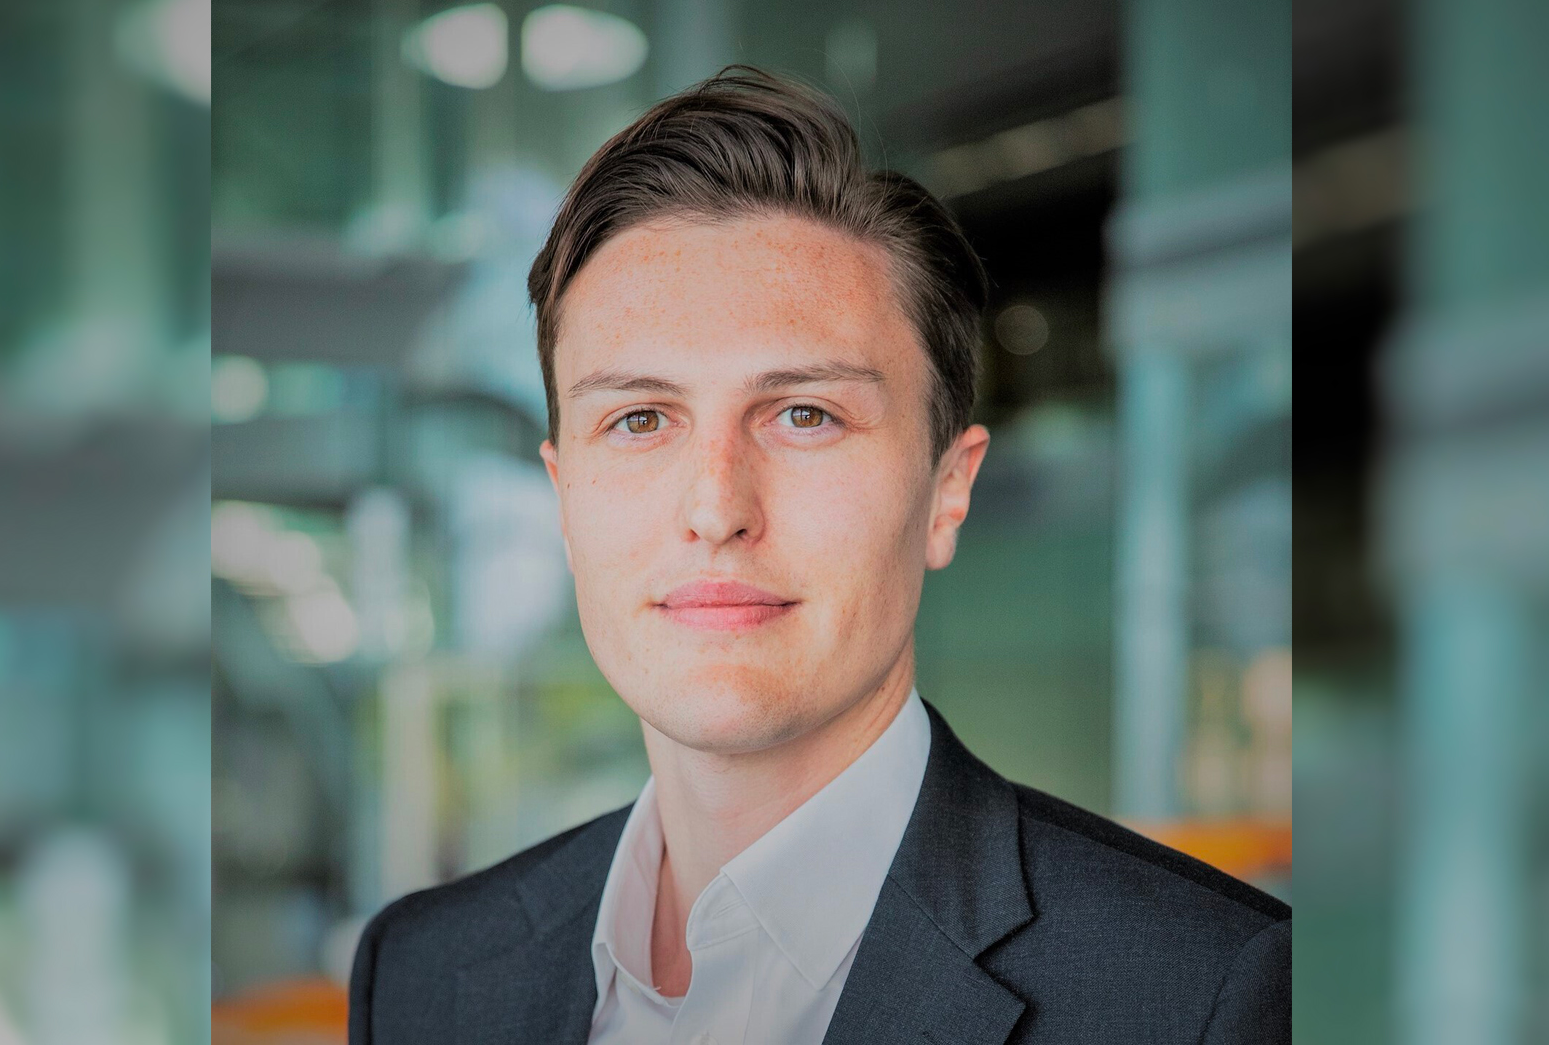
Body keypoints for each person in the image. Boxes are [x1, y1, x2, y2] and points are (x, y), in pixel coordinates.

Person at [349, 67, 1289, 1045]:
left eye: (805, 414)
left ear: (946, 492)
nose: (717, 508)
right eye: (638, 418)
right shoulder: (425, 976)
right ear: (562, 496)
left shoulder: (1204, 995)